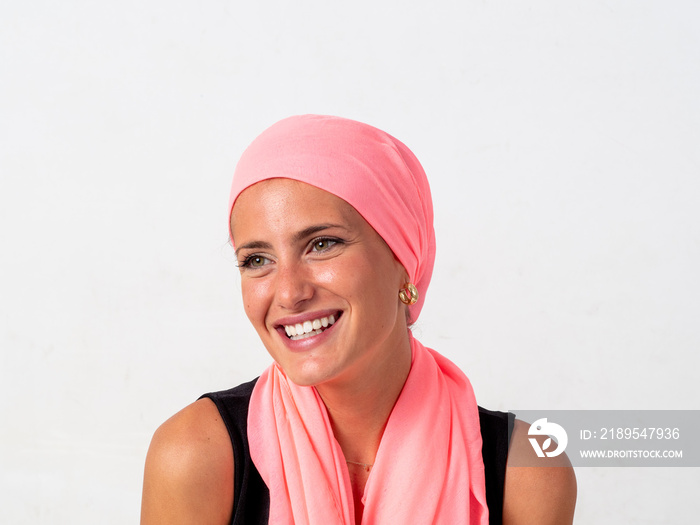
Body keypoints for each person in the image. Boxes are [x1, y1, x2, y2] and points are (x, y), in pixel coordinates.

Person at [140, 115, 576, 524]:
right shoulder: (195, 455)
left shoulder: (527, 470)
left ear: (405, 260)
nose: (289, 293)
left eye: (323, 244)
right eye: (257, 259)